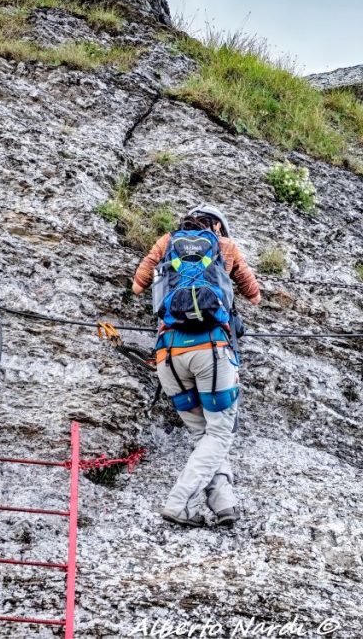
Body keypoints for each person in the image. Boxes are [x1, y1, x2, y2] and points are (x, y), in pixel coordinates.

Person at [132, 204, 261, 527]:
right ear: (218, 226)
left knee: (204, 434)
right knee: (219, 433)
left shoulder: (166, 242)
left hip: (168, 356)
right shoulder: (225, 246)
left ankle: (224, 502)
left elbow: (138, 284)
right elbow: (254, 295)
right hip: (211, 352)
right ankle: (179, 503)